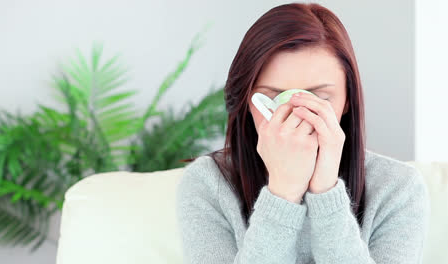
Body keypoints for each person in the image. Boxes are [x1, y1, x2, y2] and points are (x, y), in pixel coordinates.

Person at [176, 2, 430, 263]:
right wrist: (282, 194)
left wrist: (326, 194)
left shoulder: (398, 188)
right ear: (247, 104)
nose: (296, 116)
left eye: (318, 98)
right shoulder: (208, 184)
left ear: (347, 101)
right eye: (272, 98)